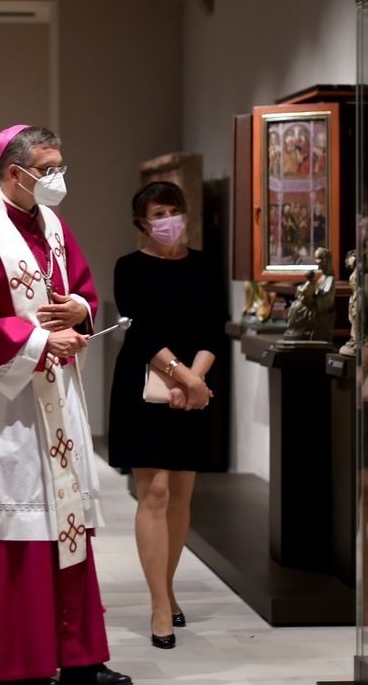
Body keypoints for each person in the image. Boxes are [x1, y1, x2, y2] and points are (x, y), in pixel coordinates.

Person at [0, 125, 132, 685]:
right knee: (18, 534)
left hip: (55, 400)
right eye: (50, 167)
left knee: (66, 525)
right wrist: (40, 343)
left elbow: (79, 287)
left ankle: (81, 659)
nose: (60, 177)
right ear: (16, 172)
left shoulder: (53, 224)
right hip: (3, 411)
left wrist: (81, 312)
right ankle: (21, 661)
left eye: (62, 165)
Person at [106, 181, 226, 650]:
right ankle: (159, 605)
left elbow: (213, 329)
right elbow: (138, 333)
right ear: (142, 222)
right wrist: (185, 378)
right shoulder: (129, 267)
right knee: (153, 491)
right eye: (158, 213)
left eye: (173, 211)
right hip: (143, 385)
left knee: (181, 493)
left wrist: (195, 380)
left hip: (193, 385)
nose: (167, 220)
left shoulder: (206, 264)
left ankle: (169, 586)